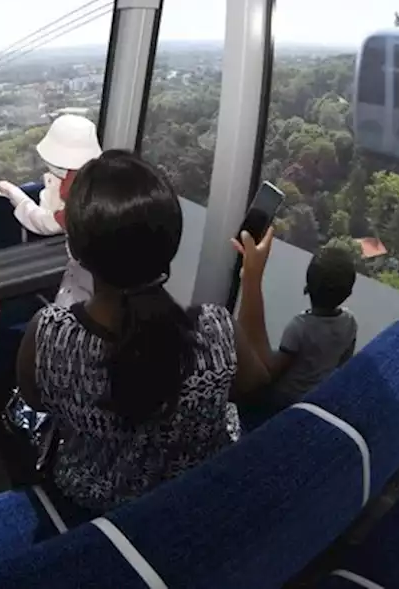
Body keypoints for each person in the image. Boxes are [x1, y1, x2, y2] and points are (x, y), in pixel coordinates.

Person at [15, 150, 274, 512]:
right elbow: (259, 382)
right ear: (171, 241)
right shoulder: (214, 331)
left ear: (76, 247)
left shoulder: (47, 336)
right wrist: (253, 279)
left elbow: (36, 400)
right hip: (198, 496)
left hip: (95, 508)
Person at [238, 247, 358, 428]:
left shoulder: (300, 327)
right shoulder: (350, 322)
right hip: (314, 397)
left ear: (308, 286)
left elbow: (273, 372)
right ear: (348, 293)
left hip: (281, 402)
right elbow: (343, 362)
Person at [0, 113, 102, 308]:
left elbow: (46, 222)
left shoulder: (81, 202)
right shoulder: (104, 183)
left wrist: (15, 195)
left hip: (91, 284)